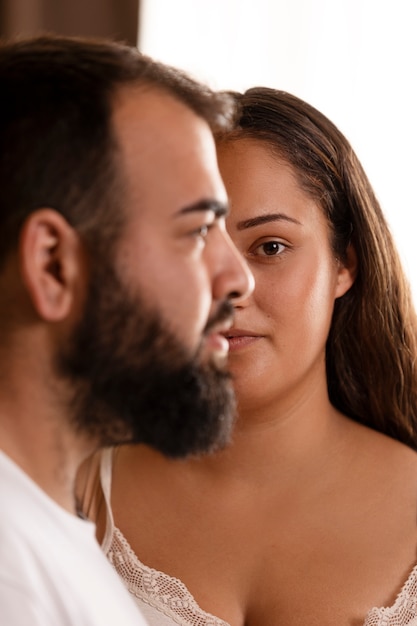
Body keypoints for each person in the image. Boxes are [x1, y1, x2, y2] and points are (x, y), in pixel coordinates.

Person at [79, 85, 417, 626]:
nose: (229, 287)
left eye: (271, 247)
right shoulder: (71, 495)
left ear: (345, 263)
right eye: (193, 242)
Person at [0, 34, 253, 626]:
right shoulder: (13, 581)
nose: (238, 277)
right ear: (53, 265)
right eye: (196, 232)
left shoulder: (43, 537)